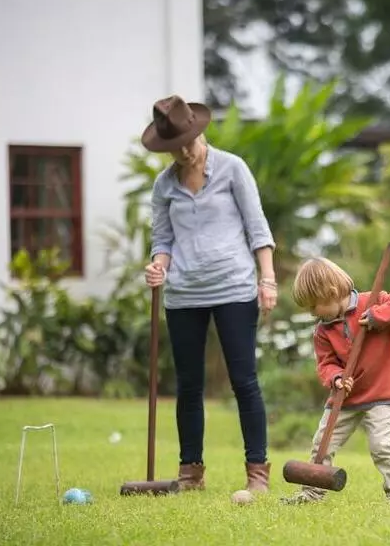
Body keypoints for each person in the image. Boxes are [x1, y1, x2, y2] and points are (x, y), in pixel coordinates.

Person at [140, 95, 278, 497]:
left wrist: (266, 280)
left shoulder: (233, 169)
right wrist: (158, 266)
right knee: (187, 385)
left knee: (244, 380)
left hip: (234, 287)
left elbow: (258, 229)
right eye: (175, 147)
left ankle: (257, 472)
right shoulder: (164, 185)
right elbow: (162, 238)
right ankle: (190, 472)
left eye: (189, 142)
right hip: (183, 294)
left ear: (200, 131)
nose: (185, 152)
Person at [283, 256, 390, 505]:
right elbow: (326, 365)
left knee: (381, 445)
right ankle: (312, 493)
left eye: (314, 306)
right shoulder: (322, 331)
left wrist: (381, 315)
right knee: (321, 444)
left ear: (331, 293)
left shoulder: (373, 301)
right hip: (345, 397)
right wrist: (336, 379)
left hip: (382, 392)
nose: (312, 313)